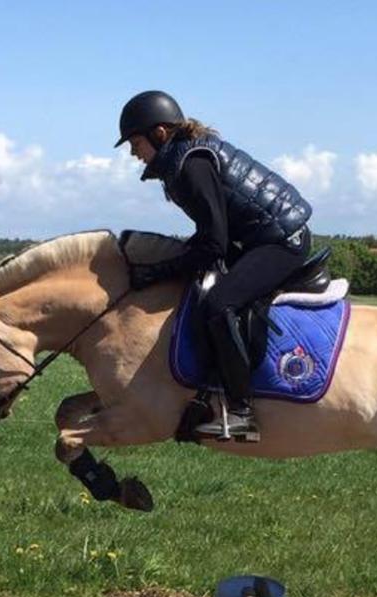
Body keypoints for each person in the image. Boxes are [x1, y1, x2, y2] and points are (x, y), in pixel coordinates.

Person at [115, 90, 313, 440]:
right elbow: (211, 233)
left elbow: (214, 244)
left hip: (281, 241)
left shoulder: (191, 165)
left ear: (159, 134)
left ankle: (241, 412)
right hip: (257, 238)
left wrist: (157, 272)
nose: (134, 153)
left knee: (220, 304)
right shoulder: (183, 158)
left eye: (135, 142)